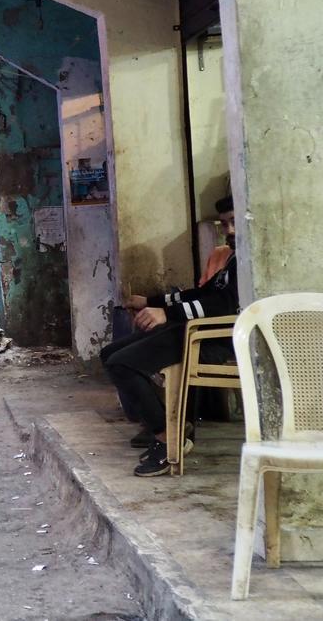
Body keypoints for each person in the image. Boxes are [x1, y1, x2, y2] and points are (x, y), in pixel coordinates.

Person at [100, 196, 239, 478]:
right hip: (193, 330)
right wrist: (152, 301)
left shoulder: (252, 262)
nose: (230, 231)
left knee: (122, 364)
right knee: (109, 355)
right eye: (225, 224)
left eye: (235, 222)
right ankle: (172, 423)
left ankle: (167, 438)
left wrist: (169, 314)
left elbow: (226, 305)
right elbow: (200, 294)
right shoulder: (231, 258)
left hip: (213, 338)